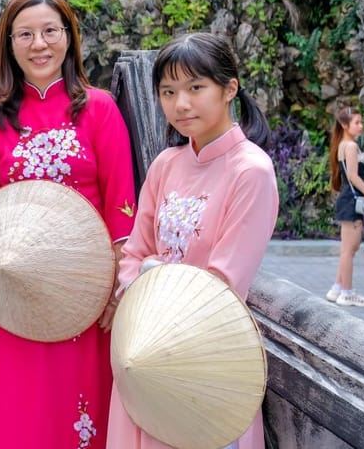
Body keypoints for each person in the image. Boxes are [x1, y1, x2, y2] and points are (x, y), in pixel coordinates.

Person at [0, 0, 137, 448]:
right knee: (20, 412)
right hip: (12, 288)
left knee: (80, 406)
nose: (40, 44)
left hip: (85, 290)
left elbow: (122, 204)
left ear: (69, 39)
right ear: (8, 44)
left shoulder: (99, 109)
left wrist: (116, 289)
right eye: (26, 34)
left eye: (51, 31)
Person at [105, 32, 279, 449]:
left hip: (204, 354)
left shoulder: (251, 171)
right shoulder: (166, 164)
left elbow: (223, 281)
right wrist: (140, 279)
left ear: (229, 88)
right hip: (145, 348)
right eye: (168, 92)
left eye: (196, 88)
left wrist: (151, 274)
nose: (180, 104)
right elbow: (134, 252)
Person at [326, 105, 364, 307]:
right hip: (352, 201)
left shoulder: (345, 144)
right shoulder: (349, 146)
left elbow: (357, 171)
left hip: (348, 200)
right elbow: (352, 176)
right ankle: (347, 293)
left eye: (360, 122)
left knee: (349, 248)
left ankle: (338, 288)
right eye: (357, 122)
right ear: (344, 125)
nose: (361, 126)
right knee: (349, 250)